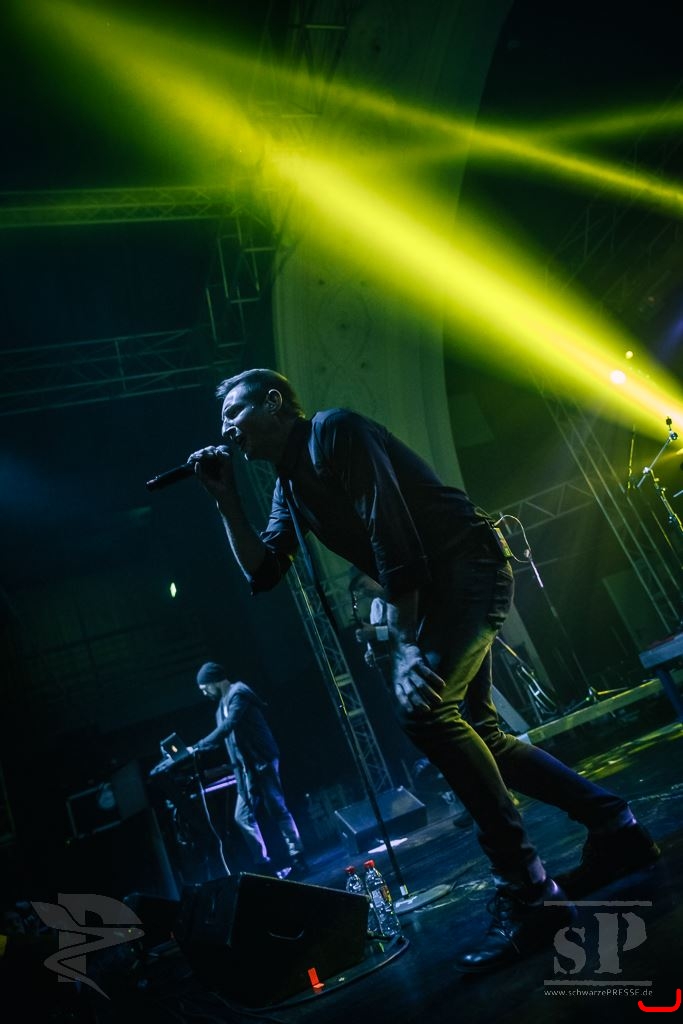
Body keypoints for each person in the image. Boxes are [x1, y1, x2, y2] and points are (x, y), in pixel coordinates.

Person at [186, 368, 660, 973]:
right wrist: (225, 501)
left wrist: (407, 641)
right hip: (440, 592)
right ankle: (615, 827)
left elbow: (392, 531)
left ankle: (530, 892)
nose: (226, 429)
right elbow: (262, 570)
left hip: (468, 567)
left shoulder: (335, 431)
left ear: (274, 403)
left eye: (233, 412)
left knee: (428, 713)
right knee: (479, 732)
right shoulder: (287, 486)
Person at [191, 662, 306, 878]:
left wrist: (198, 746)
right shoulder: (220, 708)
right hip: (246, 770)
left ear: (215, 680)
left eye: (205, 688)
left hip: (262, 761)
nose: (205, 693)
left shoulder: (238, 693)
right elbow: (227, 739)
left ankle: (298, 857)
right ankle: (264, 865)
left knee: (277, 809)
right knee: (242, 816)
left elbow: (229, 725)